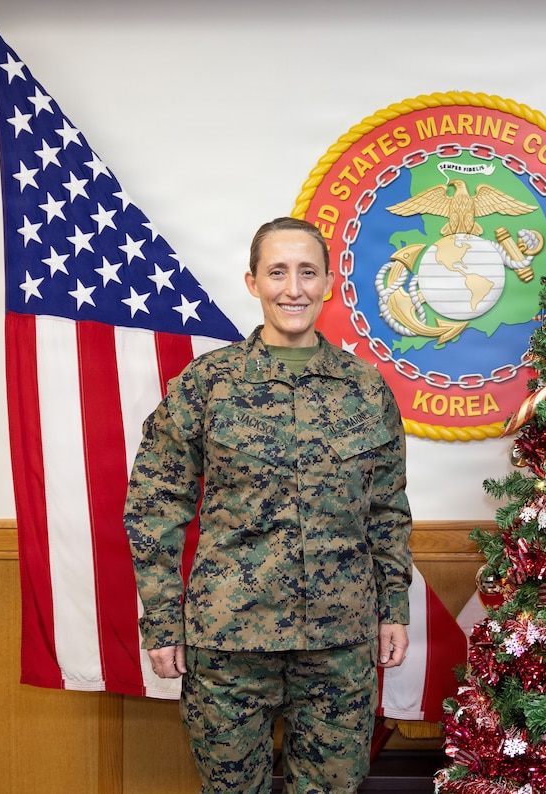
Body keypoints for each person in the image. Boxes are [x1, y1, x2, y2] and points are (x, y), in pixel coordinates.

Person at [125, 216, 413, 793]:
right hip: (230, 643)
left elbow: (387, 509)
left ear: (328, 282)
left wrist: (394, 608)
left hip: (339, 643)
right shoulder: (207, 384)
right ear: (252, 282)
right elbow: (154, 504)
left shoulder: (365, 387)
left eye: (307, 273)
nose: (293, 288)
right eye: (277, 272)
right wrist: (161, 623)